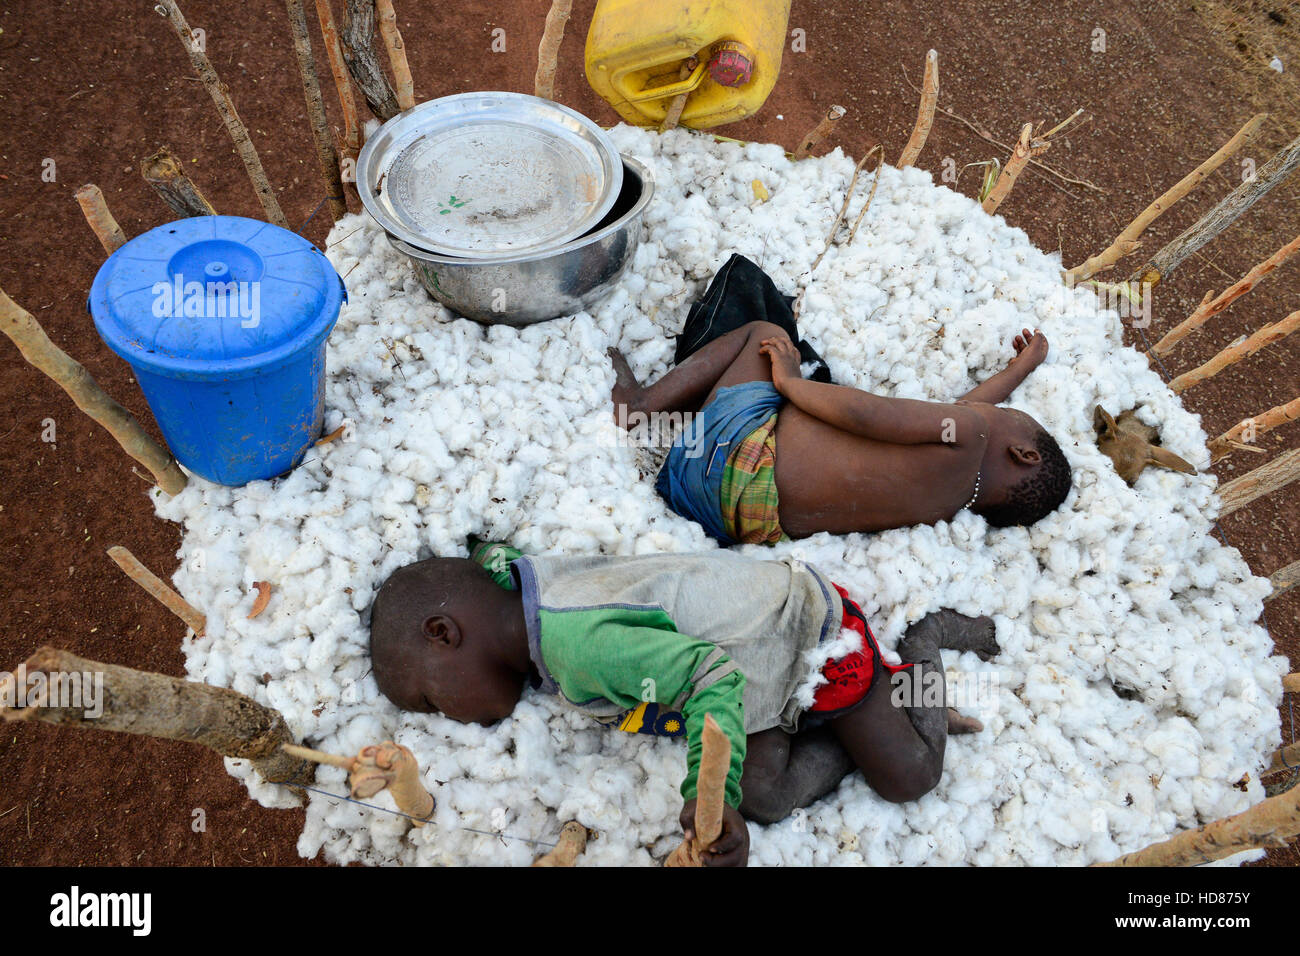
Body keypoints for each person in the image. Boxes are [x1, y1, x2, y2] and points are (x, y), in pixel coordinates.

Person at [367, 540, 999, 866]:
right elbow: (496, 557)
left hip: (810, 646)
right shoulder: (526, 587)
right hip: (757, 666)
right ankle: (860, 729)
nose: (448, 717)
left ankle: (924, 645)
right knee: (768, 796)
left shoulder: (576, 650)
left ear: (444, 633)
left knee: (911, 776)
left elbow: (710, 679)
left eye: (431, 699)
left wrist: (708, 793)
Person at [610, 320, 1072, 545]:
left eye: (1017, 415)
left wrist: (791, 380)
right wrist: (1019, 367)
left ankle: (641, 406)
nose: (994, 409)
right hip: (735, 519)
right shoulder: (949, 499)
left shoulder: (969, 432)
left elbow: (867, 415)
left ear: (1023, 454)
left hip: (735, 455)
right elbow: (966, 411)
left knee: (765, 334)